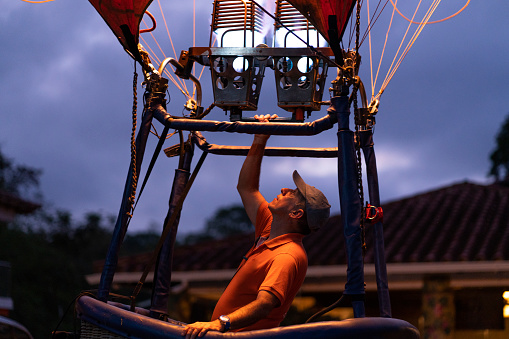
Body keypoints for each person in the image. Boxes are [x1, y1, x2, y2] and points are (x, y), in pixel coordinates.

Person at [182, 114, 331, 339]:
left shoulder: (287, 255)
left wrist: (220, 324)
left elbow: (264, 304)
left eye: (292, 193)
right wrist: (260, 139)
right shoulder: (270, 230)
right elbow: (247, 188)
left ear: (296, 213)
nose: (283, 189)